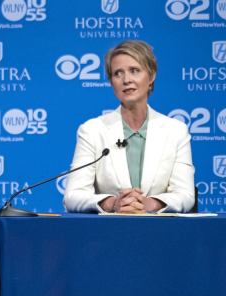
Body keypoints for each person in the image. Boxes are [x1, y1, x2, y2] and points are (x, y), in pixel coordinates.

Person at [63, 40, 194, 214]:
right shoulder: (92, 130)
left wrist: (150, 204)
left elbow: (185, 195)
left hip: (160, 228)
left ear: (151, 76)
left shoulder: (175, 131)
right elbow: (73, 196)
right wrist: (113, 203)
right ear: (111, 82)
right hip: (109, 228)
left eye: (134, 71)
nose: (126, 80)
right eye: (118, 73)